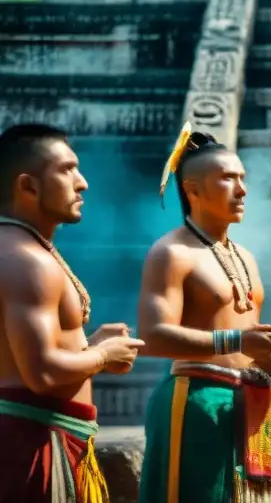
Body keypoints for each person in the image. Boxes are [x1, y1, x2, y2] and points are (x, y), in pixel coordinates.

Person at [137, 126, 271, 503]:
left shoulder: (245, 255)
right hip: (197, 400)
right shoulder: (171, 253)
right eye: (228, 179)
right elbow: (153, 335)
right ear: (192, 189)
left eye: (242, 178)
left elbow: (247, 333)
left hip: (257, 400)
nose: (242, 190)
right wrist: (238, 340)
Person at [0, 123, 144, 503]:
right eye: (67, 170)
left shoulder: (26, 250)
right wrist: (101, 356)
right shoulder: (26, 260)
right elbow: (42, 372)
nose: (83, 183)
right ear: (27, 186)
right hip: (31, 448)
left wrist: (89, 345)